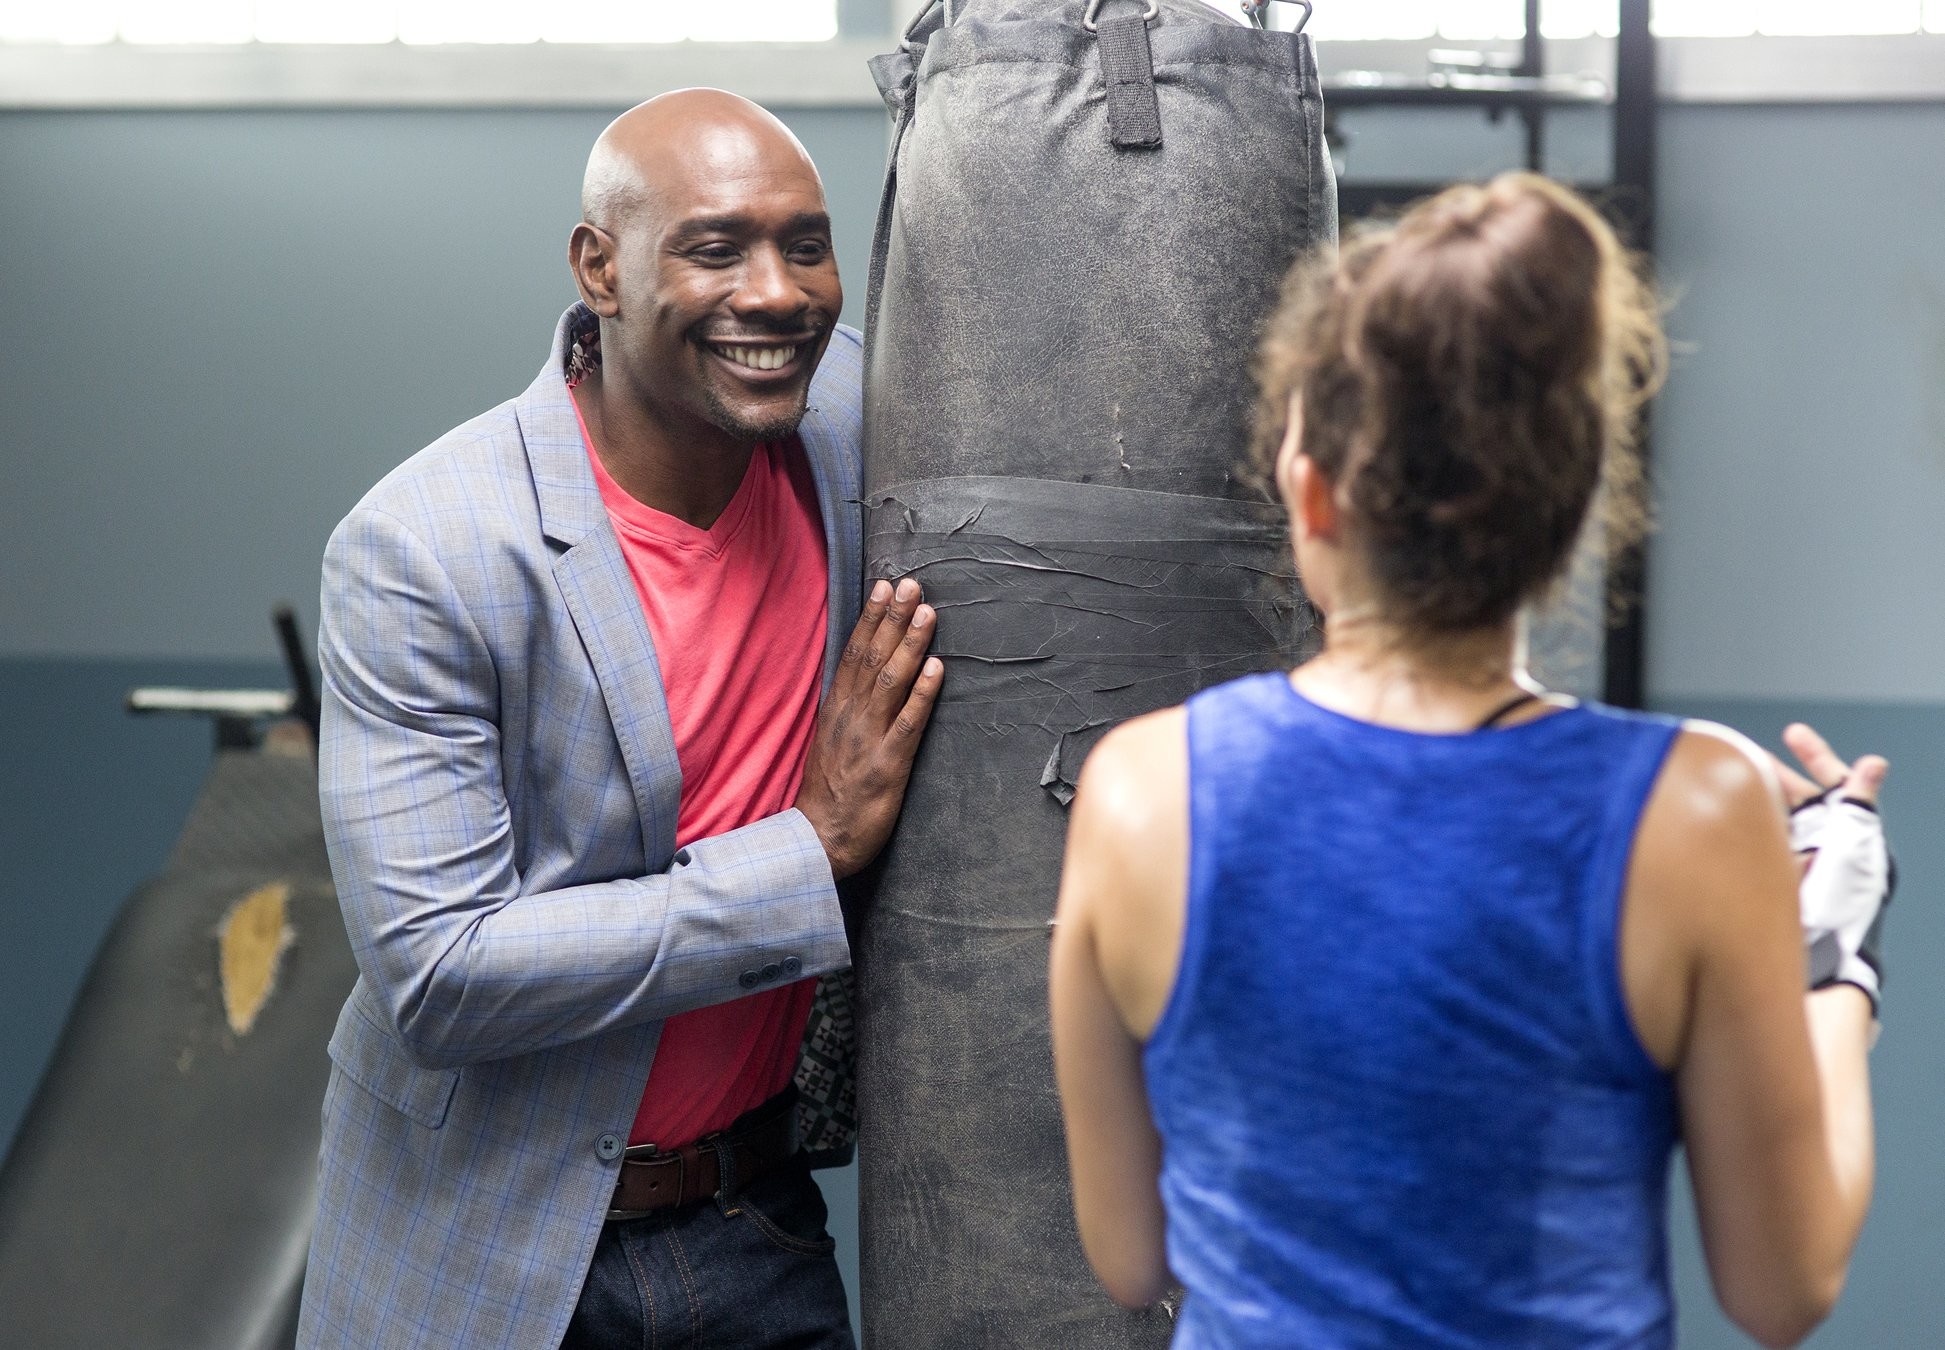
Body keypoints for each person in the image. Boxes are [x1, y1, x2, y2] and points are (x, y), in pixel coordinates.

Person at [1049, 173, 1894, 1348]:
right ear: (1572, 508)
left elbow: (1130, 1257)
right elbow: (1780, 1290)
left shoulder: (1139, 789)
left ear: (1311, 492)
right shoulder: (1700, 807)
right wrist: (1836, 957)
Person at [296, 90, 942, 1350]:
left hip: (755, 1220)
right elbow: (441, 976)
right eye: (714, 247)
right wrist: (806, 852)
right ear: (598, 265)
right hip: (487, 1244)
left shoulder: (863, 421)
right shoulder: (426, 547)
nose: (777, 293)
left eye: (805, 244)